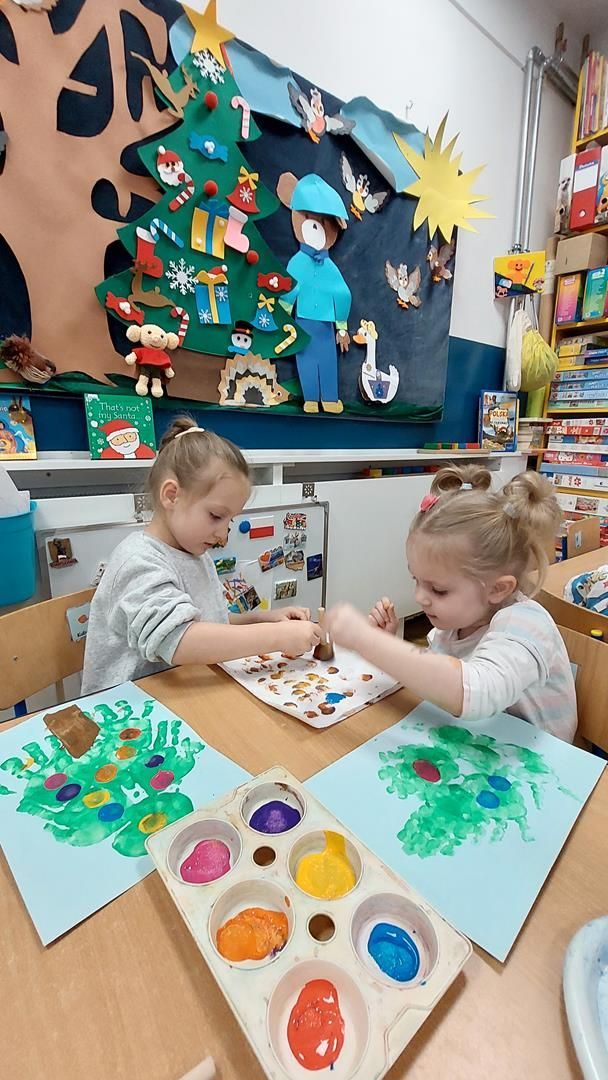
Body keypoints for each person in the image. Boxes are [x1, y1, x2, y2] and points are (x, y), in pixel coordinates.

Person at [325, 465, 577, 742]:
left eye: (438, 590)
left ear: (498, 588)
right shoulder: (453, 624)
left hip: (540, 758)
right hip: (481, 742)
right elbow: (437, 677)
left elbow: (476, 691)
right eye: (415, 580)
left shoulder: (525, 624)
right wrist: (390, 643)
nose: (420, 597)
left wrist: (368, 641)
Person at [82, 418, 321, 694]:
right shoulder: (138, 561)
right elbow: (179, 640)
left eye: (229, 521)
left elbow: (210, 624)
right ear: (171, 496)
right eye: (216, 516)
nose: (223, 534)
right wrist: (277, 636)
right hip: (125, 709)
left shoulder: (195, 554)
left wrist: (264, 619)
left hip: (179, 695)